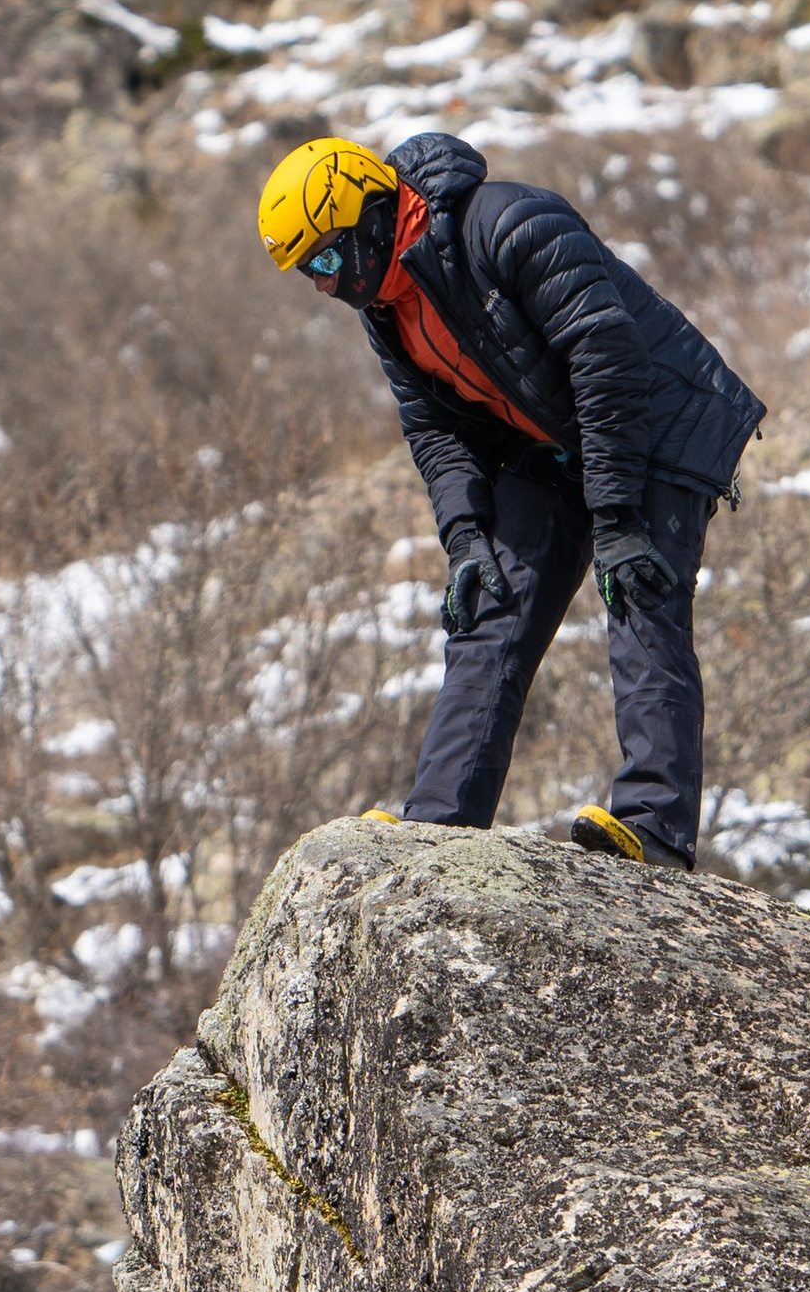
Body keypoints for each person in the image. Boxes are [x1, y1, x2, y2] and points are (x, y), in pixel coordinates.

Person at [255, 129, 766, 871]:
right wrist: (465, 534)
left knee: (639, 590)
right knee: (490, 605)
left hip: (657, 419)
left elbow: (606, 354)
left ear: (369, 215)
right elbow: (432, 427)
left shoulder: (508, 221)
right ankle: (439, 829)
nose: (323, 286)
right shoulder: (388, 308)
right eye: (308, 272)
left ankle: (653, 834)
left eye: (326, 260)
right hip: (554, 443)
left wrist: (616, 516)